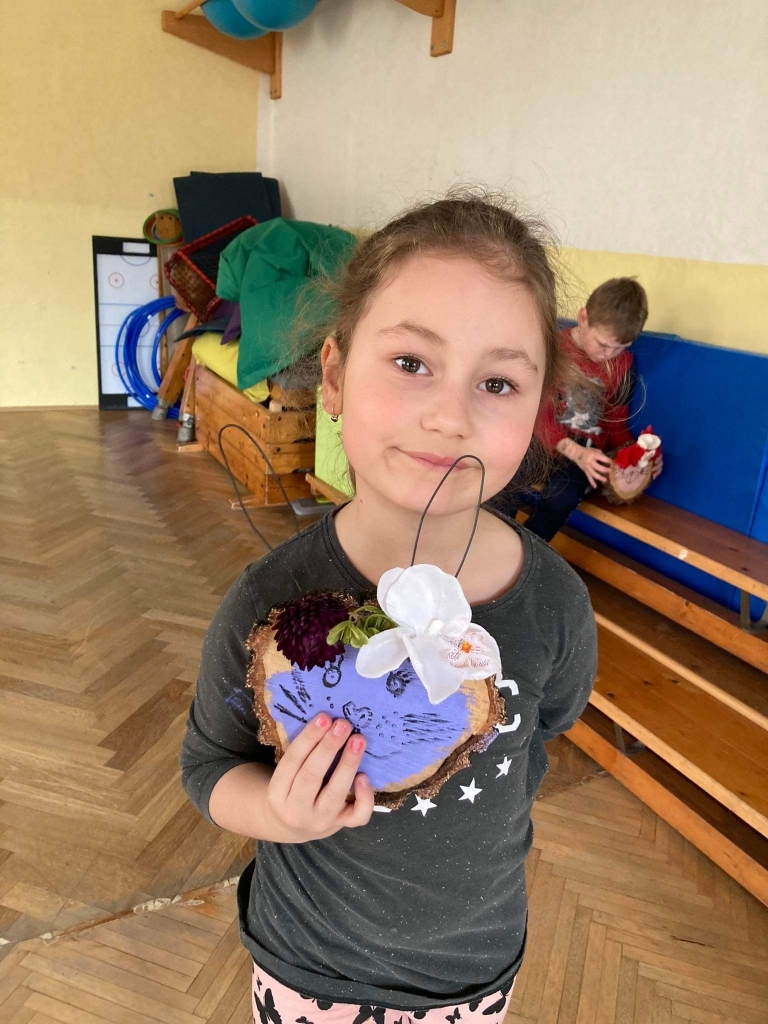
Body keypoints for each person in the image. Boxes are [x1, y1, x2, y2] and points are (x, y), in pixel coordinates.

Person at [180, 190, 598, 1022]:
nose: (449, 416)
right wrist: (276, 811)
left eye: (498, 382)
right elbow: (208, 769)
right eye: (411, 363)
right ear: (334, 376)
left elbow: (547, 728)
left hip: (476, 971)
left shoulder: (554, 603)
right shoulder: (267, 600)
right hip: (310, 969)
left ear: (539, 410)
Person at [491, 277, 663, 541]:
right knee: (508, 476)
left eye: (620, 347)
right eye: (603, 344)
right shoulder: (554, 349)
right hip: (540, 438)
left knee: (563, 496)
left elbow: (615, 421)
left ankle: (530, 550)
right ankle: (493, 540)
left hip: (585, 451)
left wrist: (638, 457)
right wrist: (574, 451)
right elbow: (537, 413)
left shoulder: (623, 365)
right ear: (583, 318)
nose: (609, 354)